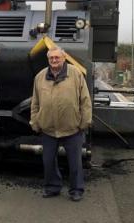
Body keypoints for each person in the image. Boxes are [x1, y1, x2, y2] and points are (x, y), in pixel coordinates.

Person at [30, 47, 92, 202]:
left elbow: (85, 100)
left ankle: (76, 190)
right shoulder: (40, 77)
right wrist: (35, 122)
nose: (54, 60)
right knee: (48, 161)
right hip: (48, 129)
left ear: (64, 58)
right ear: (48, 59)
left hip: (72, 128)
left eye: (57, 57)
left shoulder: (75, 74)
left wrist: (84, 122)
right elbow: (35, 102)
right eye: (51, 58)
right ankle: (52, 187)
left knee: (75, 163)